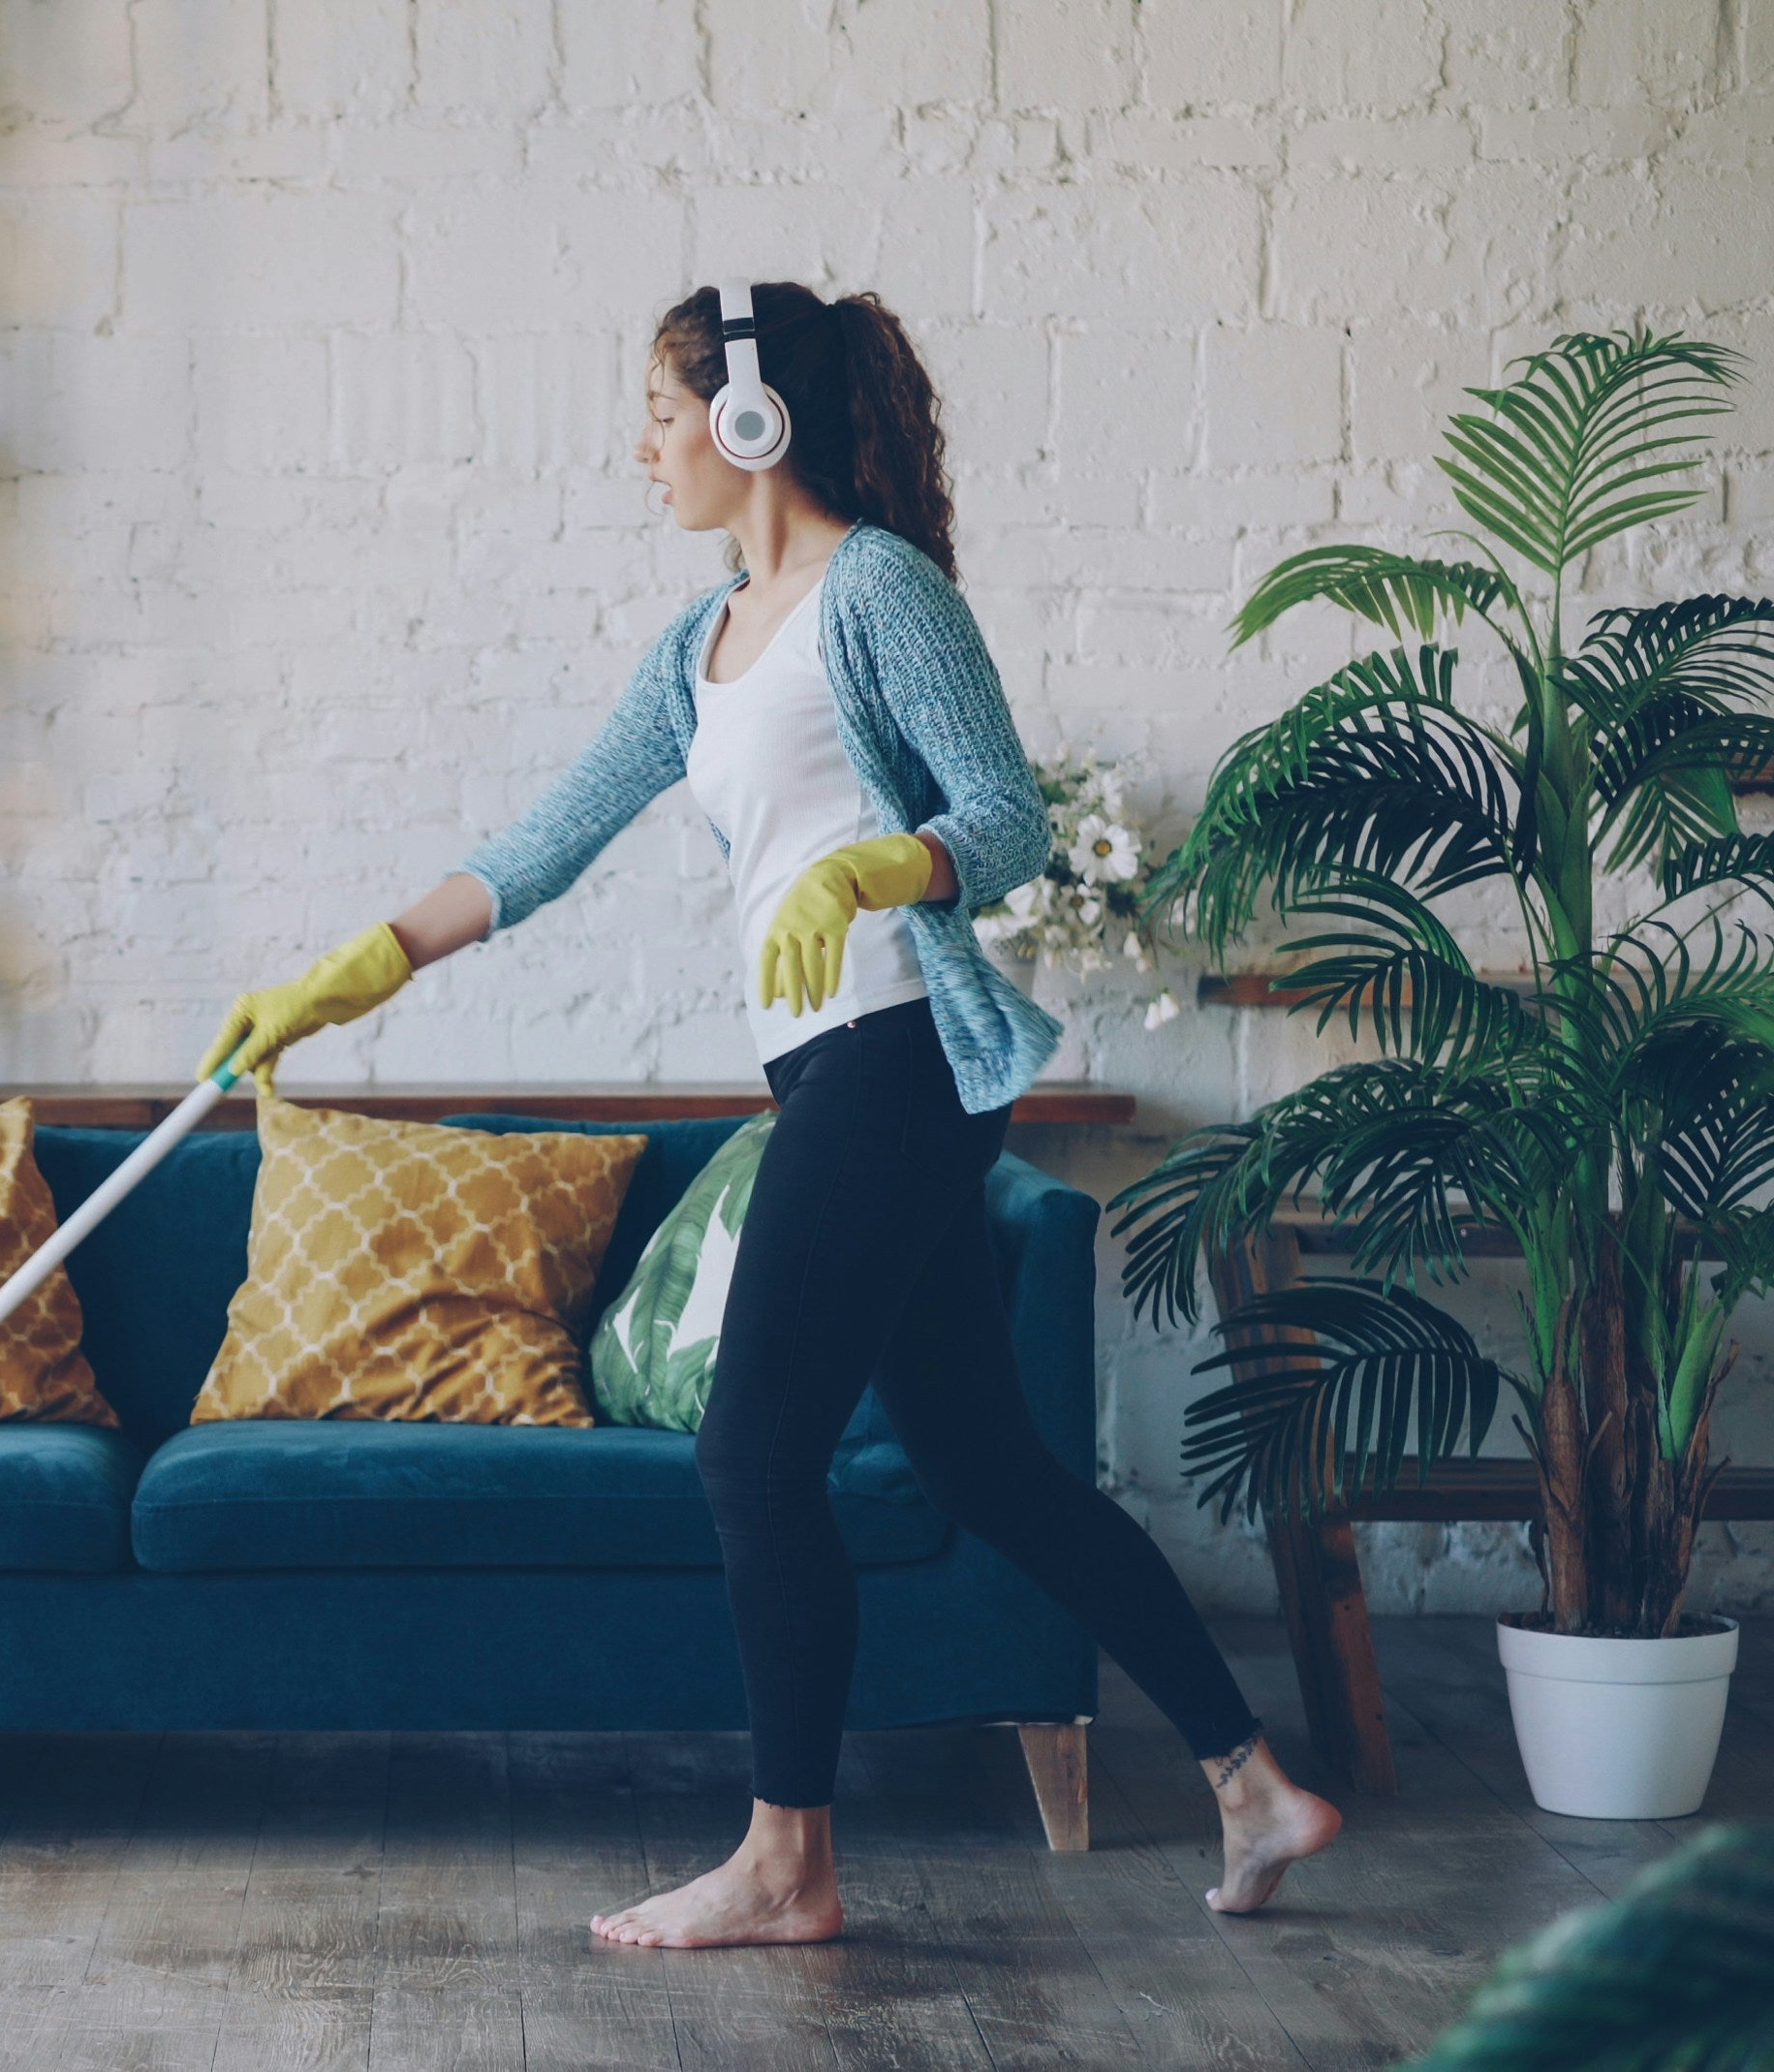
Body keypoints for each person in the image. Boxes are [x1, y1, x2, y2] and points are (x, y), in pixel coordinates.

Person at [199, 281, 1341, 1950]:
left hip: (894, 1053)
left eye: (663, 414)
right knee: (990, 1465)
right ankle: (1252, 1778)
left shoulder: (876, 591)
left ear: (750, 422)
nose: (644, 449)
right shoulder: (703, 642)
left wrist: (883, 864)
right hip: (831, 1072)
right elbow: (540, 844)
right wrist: (348, 970)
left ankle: (788, 1858)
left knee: (751, 1449)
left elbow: (1004, 818)